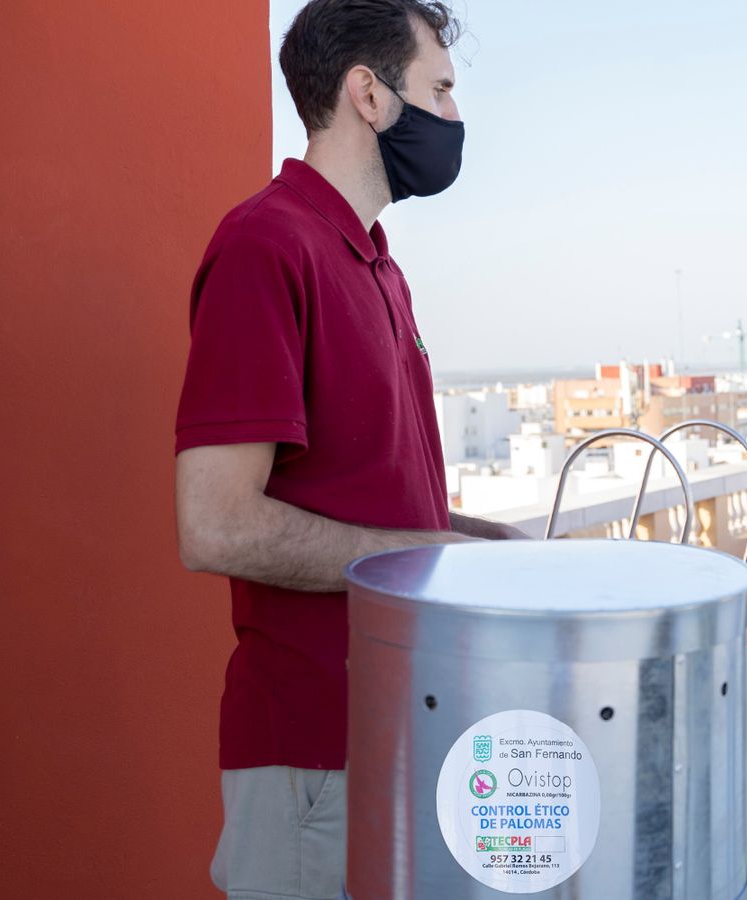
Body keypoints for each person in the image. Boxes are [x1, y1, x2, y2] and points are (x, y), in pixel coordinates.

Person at [173, 3, 523, 897]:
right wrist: (428, 556)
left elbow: (373, 500)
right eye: (439, 89)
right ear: (369, 94)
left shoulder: (376, 264)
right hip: (315, 757)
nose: (453, 116)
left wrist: (490, 548)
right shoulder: (265, 245)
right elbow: (215, 525)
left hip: (401, 733)